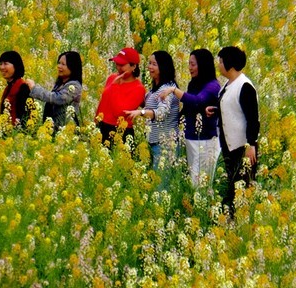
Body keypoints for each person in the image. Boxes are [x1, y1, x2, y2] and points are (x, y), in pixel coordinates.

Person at [161, 48, 220, 189]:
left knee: (202, 182)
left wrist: (174, 90)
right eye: (189, 64)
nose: (190, 68)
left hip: (205, 140)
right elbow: (188, 108)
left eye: (193, 64)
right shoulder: (193, 84)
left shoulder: (213, 86)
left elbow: (197, 101)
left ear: (203, 65)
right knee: (193, 180)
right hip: (190, 137)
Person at [214, 45, 260, 217]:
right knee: (232, 187)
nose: (219, 65)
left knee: (242, 187)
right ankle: (231, 220)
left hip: (242, 147)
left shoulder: (245, 86)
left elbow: (253, 118)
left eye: (221, 62)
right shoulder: (228, 85)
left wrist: (251, 145)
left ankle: (241, 221)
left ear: (230, 65)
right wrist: (215, 110)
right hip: (229, 146)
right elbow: (232, 108)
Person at [128, 50, 180, 178]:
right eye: (149, 63)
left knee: (161, 184)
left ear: (163, 67)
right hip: (154, 142)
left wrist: (141, 112)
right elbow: (148, 106)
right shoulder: (155, 89)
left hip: (164, 144)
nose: (150, 67)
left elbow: (161, 113)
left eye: (154, 64)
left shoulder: (167, 89)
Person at [94, 46, 146, 146]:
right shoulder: (112, 77)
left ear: (133, 66)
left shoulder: (138, 88)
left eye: (122, 65)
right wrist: (95, 122)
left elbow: (120, 113)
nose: (118, 68)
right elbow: (103, 102)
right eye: (117, 64)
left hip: (120, 132)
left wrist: (115, 86)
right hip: (102, 125)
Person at [24, 50, 83, 130]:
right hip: (54, 129)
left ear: (72, 67)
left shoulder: (75, 86)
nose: (59, 66)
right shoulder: (61, 83)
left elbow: (57, 98)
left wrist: (34, 89)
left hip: (65, 131)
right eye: (59, 63)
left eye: (63, 64)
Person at [0, 50, 32, 129]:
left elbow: (25, 117)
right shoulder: (8, 88)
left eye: (5, 63)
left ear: (16, 66)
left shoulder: (23, 87)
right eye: (0, 64)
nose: (2, 67)